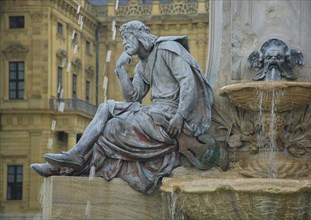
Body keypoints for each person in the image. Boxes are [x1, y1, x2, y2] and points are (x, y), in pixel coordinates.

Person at [31, 21, 215, 194]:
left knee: (108, 112)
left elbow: (187, 81)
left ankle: (71, 160)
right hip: (155, 114)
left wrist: (181, 115)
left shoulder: (168, 48)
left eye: (128, 38)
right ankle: (67, 164)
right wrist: (119, 69)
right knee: (108, 126)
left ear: (138, 37)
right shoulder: (142, 66)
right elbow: (133, 97)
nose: (125, 43)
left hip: (171, 117)